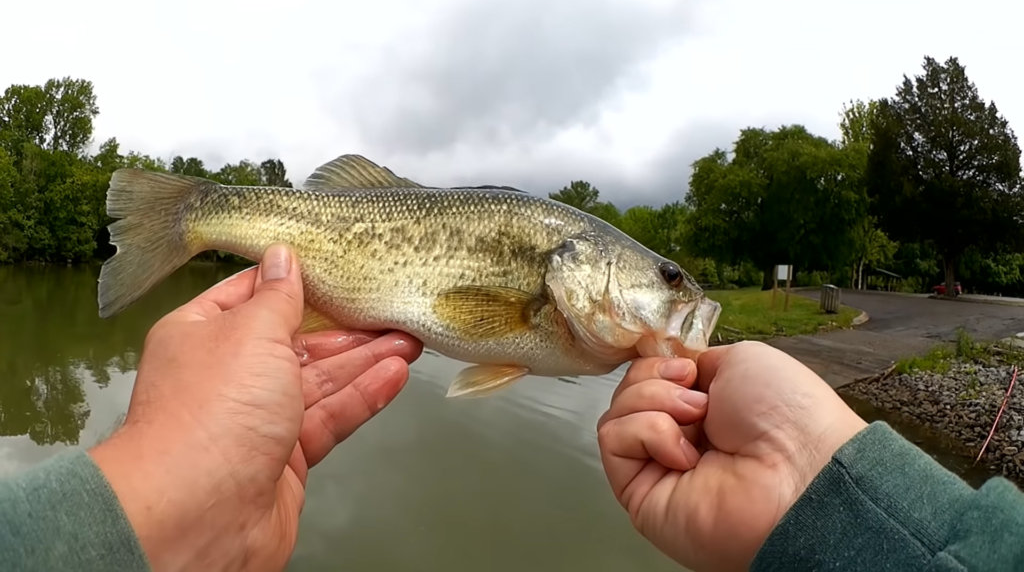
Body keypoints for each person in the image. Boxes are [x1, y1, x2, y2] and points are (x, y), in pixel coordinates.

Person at [1, 244, 1023, 571]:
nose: (682, 304)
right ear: (579, 271)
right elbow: (455, 314)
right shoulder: (554, 299)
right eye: (662, 281)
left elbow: (466, 331)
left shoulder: (571, 312)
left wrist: (810, 487)